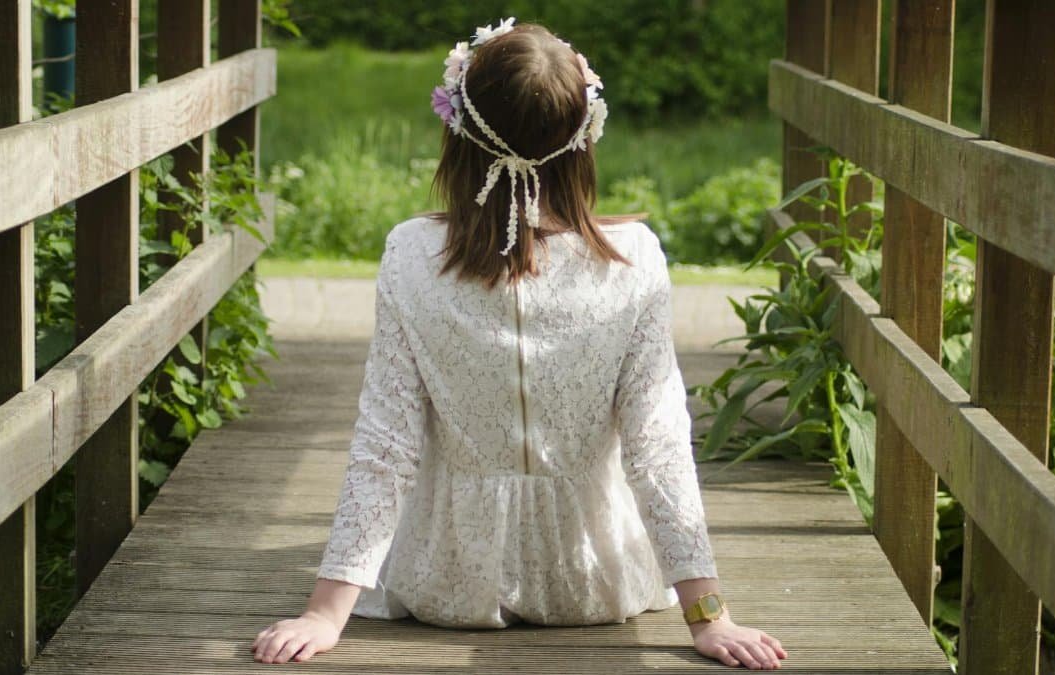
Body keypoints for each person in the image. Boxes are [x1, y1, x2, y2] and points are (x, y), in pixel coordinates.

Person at [251, 18, 788, 670]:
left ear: (459, 133)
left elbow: (385, 444)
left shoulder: (411, 255)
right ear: (586, 139)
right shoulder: (636, 260)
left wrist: (324, 612)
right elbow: (659, 445)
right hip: (595, 581)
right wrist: (709, 616)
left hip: (447, 582)